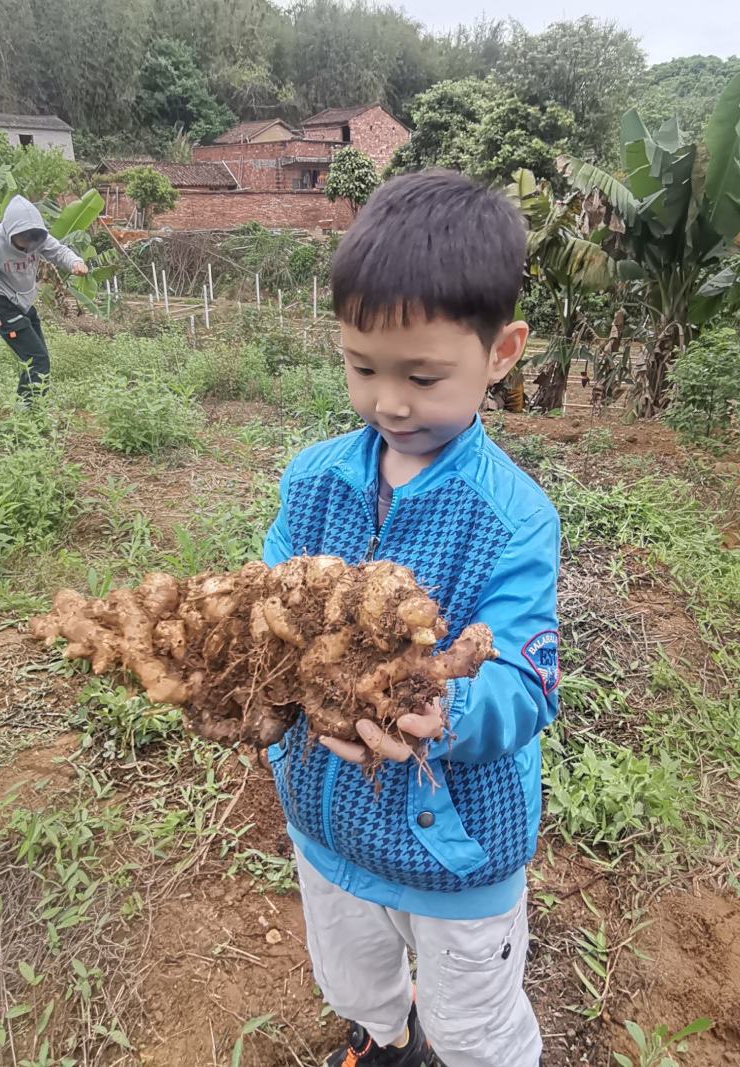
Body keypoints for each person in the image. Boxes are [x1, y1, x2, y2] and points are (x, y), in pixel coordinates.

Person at [263, 170, 560, 1067]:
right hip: (327, 823)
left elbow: (522, 679)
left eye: (422, 376)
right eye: (362, 368)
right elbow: (273, 604)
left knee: (472, 1027)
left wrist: (448, 713)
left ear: (500, 352)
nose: (389, 401)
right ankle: (385, 1037)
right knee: (355, 976)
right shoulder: (312, 480)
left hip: (456, 850)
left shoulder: (513, 518)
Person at [0, 195, 88, 401]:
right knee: (38, 359)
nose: (30, 245)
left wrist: (74, 262)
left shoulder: (37, 238)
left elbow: (58, 251)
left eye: (34, 239)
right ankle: (29, 412)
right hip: (0, 301)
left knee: (37, 356)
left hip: (23, 301)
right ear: (11, 231)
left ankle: (32, 403)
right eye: (24, 240)